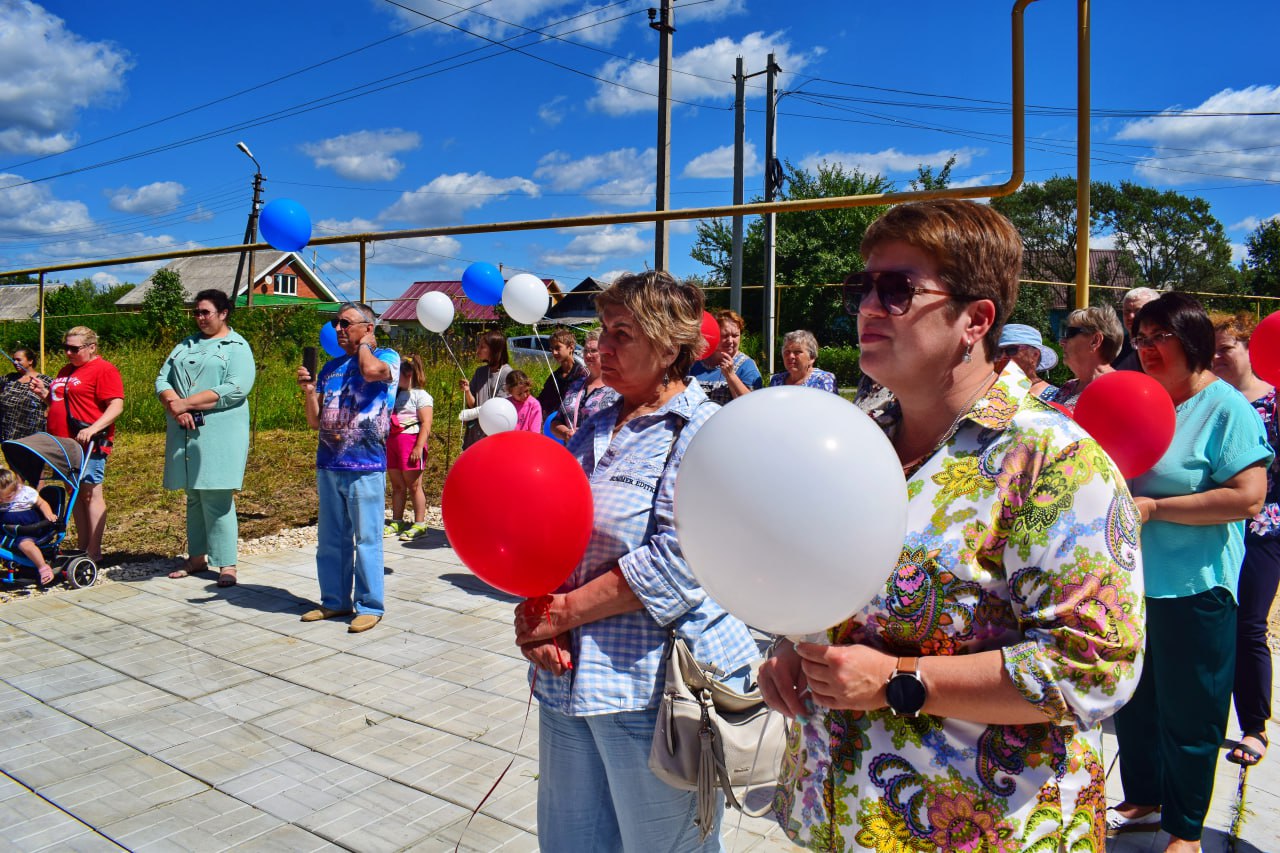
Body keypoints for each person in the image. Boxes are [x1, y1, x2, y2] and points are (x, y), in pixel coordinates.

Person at [760, 199, 1145, 852]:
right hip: (840, 821)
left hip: (986, 832)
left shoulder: (1050, 458)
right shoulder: (856, 443)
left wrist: (897, 681)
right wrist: (794, 644)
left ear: (976, 319)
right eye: (863, 287)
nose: (869, 306)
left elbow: (1096, 667)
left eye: (897, 289)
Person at [512, 271, 758, 852]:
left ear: (670, 345)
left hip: (651, 692)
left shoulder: (704, 431)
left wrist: (562, 612)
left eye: (622, 332)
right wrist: (539, 612)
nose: (602, 346)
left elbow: (681, 559)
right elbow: (549, 526)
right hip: (568, 680)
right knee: (572, 844)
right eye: (602, 330)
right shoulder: (595, 422)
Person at [1111, 293, 1270, 850]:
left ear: (1194, 341)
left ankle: (1185, 828)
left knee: (1191, 714)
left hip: (1196, 587)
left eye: (1161, 337)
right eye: (1142, 338)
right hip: (1129, 583)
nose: (1148, 348)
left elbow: (1248, 499)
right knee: (1134, 703)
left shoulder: (1227, 408)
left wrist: (1157, 508)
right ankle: (1146, 797)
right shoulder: (1140, 397)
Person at [297, 303, 399, 634]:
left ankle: (369, 605)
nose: (337, 329)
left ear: (369, 327)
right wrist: (310, 392)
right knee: (330, 539)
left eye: (345, 323)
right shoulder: (330, 368)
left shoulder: (387, 358)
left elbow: (370, 372)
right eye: (334, 323)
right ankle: (334, 599)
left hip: (366, 465)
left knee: (367, 538)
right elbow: (315, 421)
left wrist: (367, 344)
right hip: (329, 462)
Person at [1211, 311, 1280, 769]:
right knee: (1212, 627)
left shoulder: (1274, 403)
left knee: (1250, 626)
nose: (1217, 358)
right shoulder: (1207, 402)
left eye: (1226, 348)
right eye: (1210, 350)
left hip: (1261, 531)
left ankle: (1254, 726)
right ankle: (1209, 717)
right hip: (1210, 530)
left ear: (1250, 350)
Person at [157, 290, 257, 587]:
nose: (199, 318)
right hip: (184, 429)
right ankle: (198, 556)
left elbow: (236, 387)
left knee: (216, 496)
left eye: (205, 312)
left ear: (223, 313)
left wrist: (187, 403)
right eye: (196, 312)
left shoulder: (236, 346)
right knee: (194, 495)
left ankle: (227, 564)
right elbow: (162, 378)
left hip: (219, 432)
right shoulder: (185, 345)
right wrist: (175, 404)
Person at [43, 326, 124, 564]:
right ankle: (82, 547)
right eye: (65, 348)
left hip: (88, 442)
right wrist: (43, 395)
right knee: (74, 493)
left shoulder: (103, 369)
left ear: (91, 347)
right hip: (64, 442)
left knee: (90, 491)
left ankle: (94, 550)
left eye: (74, 349)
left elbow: (116, 405)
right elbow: (60, 401)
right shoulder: (66, 370)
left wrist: (94, 428)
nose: (68, 353)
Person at [384, 354, 434, 542]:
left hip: (410, 442)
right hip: (393, 443)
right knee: (397, 486)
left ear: (409, 374)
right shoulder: (394, 395)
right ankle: (397, 520)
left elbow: (426, 423)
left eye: (399, 375)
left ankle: (420, 524)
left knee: (414, 486)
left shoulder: (422, 396)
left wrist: (418, 447)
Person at [1042, 305, 1124, 409]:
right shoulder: (1068, 387)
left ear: (1095, 341)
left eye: (1069, 333)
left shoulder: (1119, 389)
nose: (1061, 342)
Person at [550, 328, 618, 443]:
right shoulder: (576, 384)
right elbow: (556, 422)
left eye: (593, 350)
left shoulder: (617, 387)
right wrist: (566, 433)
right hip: (571, 455)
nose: (588, 354)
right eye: (586, 350)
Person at [688, 308, 762, 404]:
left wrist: (730, 375)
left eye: (735, 335)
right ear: (714, 334)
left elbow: (753, 404)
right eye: (725, 335)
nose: (730, 341)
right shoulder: (695, 362)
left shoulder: (746, 366)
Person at [0, 467, 57, 585]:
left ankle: (43, 567)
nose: (3, 500)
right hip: (6, 528)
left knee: (25, 544)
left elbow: (41, 503)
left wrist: (49, 514)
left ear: (16, 488)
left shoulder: (26, 493)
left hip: (26, 528)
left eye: (7, 497)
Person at [458, 330, 511, 450]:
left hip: (494, 434)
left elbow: (498, 408)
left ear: (494, 350)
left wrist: (469, 414)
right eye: (478, 345)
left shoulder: (507, 374)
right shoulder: (480, 372)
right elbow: (472, 404)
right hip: (475, 434)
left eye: (482, 347)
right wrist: (467, 391)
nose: (478, 349)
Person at [0, 348, 53, 443]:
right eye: (13, 359)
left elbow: (54, 402)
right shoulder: (9, 378)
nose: (15, 362)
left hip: (31, 434)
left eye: (19, 360)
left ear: (30, 361)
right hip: (8, 431)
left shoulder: (45, 381)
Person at [992, 322, 1057, 398]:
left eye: (1011, 350)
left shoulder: (1056, 397)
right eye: (999, 351)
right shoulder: (989, 391)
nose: (1002, 356)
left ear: (1035, 355)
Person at [535, 327, 586, 423]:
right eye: (552, 349)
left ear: (571, 347)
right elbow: (541, 401)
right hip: (553, 427)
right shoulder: (554, 376)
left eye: (558, 348)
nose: (554, 352)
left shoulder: (582, 374)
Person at [768, 330, 839, 392]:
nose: (790, 356)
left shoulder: (823, 380)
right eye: (787, 352)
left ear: (811, 357)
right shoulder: (776, 380)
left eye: (797, 352)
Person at [1112, 286, 1160, 371]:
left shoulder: (1164, 347)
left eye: (1138, 311)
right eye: (1127, 311)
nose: (1131, 316)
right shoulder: (1114, 347)